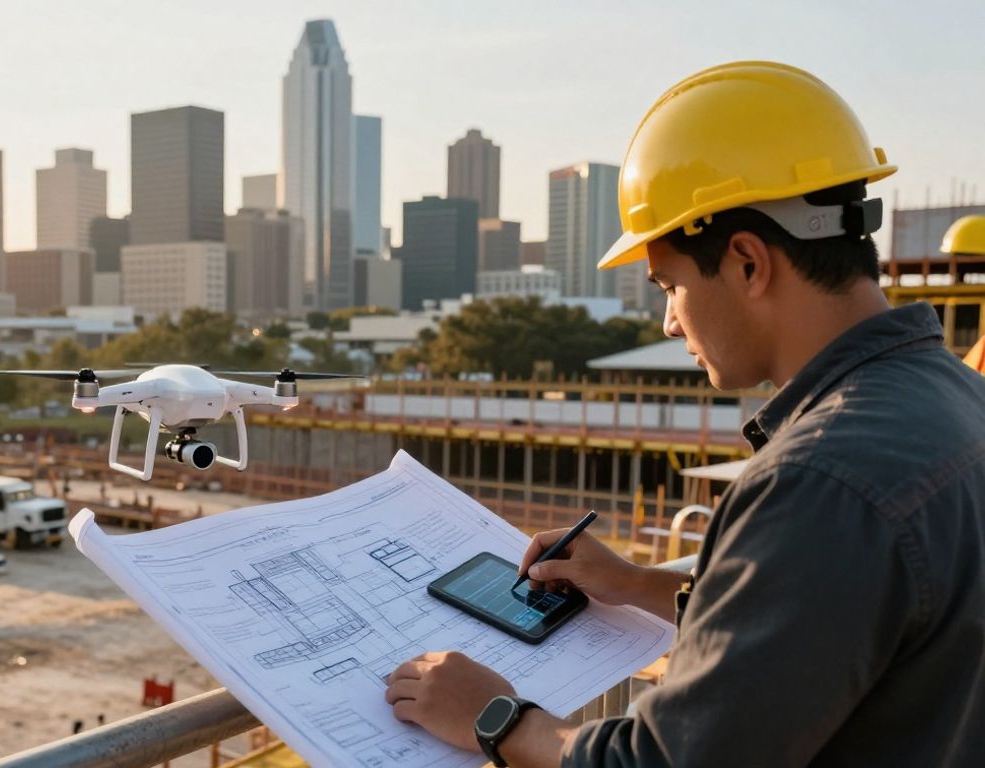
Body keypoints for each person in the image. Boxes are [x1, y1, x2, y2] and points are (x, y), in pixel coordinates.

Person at [384, 61, 985, 767]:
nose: (670, 321)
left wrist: (494, 716)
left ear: (748, 263)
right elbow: (827, 616)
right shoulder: (951, 395)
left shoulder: (821, 480)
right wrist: (635, 584)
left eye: (669, 285)